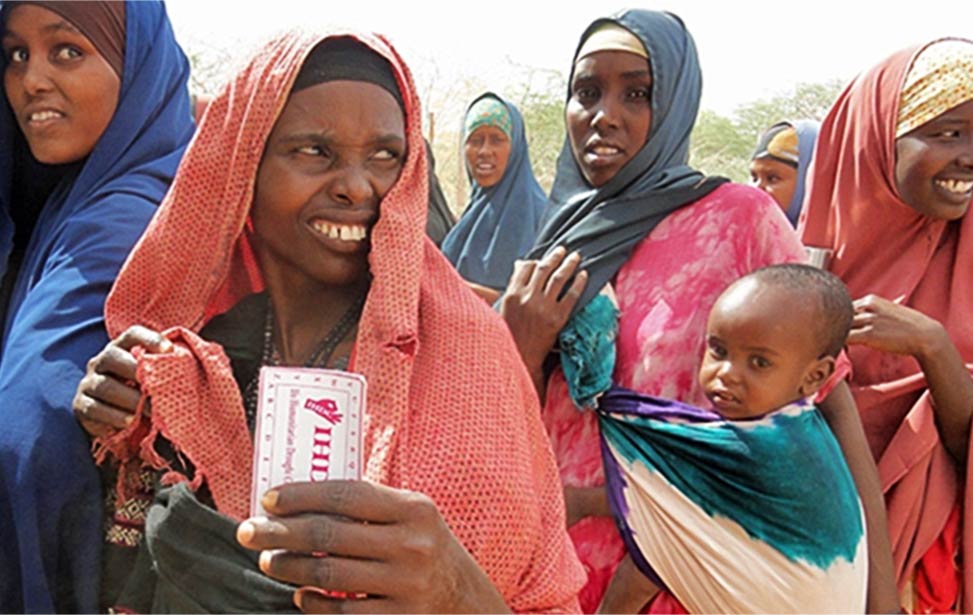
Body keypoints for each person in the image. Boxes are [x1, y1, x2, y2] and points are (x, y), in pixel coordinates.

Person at [72, 31, 584, 613]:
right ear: (244, 168)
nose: (357, 186)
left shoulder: (473, 361)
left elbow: (546, 593)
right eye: (315, 151)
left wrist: (460, 596)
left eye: (385, 156)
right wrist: (117, 419)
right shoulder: (191, 363)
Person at [499, 9, 898, 613]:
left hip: (692, 582)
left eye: (638, 93)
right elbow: (514, 428)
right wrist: (523, 348)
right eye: (587, 92)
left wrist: (881, 599)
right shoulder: (557, 238)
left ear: (678, 103)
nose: (604, 115)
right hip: (555, 575)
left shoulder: (738, 220)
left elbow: (831, 407)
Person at [0, 1, 193, 612]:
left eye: (66, 51)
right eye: (14, 54)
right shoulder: (71, 203)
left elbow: (30, 437)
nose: (31, 79)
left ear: (134, 67)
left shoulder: (124, 223)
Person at [800, 37, 973, 614]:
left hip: (930, 574)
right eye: (946, 133)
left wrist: (933, 346)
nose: (969, 154)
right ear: (875, 142)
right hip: (805, 559)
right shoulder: (796, 278)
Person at [596, 264, 867, 614]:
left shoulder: (776, 451)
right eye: (719, 351)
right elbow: (670, 526)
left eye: (758, 362)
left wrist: (579, 501)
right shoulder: (796, 427)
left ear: (814, 376)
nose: (726, 374)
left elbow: (662, 501)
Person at [441, 92, 547, 302]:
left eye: (497, 140)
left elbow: (537, 305)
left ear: (515, 147)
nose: (485, 151)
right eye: (475, 140)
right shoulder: (471, 216)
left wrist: (453, 289)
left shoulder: (541, 217)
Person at [749, 119, 820, 226]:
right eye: (754, 178)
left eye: (772, 178)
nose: (756, 190)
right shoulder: (740, 236)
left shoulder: (842, 240)